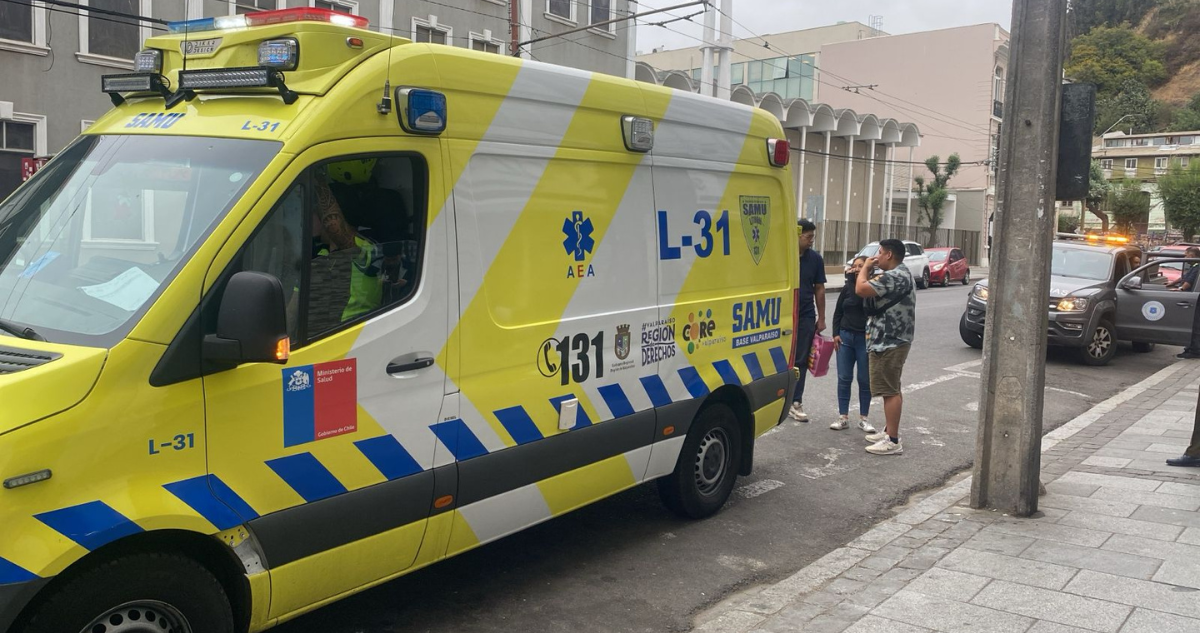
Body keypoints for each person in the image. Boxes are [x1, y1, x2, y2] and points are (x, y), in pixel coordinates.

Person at [855, 238, 916, 456]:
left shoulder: (895, 276)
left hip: (889, 340)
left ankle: (892, 440)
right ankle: (889, 430)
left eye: (879, 252)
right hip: (889, 339)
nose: (877, 256)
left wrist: (865, 269)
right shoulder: (900, 274)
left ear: (889, 254)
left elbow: (861, 289)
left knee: (889, 390)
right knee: (891, 388)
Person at [830, 256, 878, 433]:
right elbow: (838, 312)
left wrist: (860, 280)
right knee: (844, 378)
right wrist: (836, 334)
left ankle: (864, 418)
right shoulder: (847, 288)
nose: (857, 269)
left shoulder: (872, 286)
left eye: (861, 266)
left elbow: (872, 309)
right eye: (855, 266)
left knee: (865, 380)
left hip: (865, 338)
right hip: (845, 338)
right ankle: (843, 417)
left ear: (869, 268)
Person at [789, 219, 827, 422]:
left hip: (805, 315)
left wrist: (821, 318)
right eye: (808, 236)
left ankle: (796, 401)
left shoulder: (816, 259)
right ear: (797, 235)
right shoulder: (784, 256)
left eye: (813, 236)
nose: (812, 240)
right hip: (782, 315)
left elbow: (819, 288)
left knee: (801, 359)